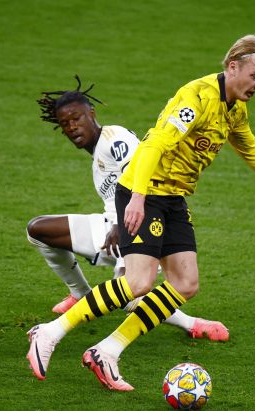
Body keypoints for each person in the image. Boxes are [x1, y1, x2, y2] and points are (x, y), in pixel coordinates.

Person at [26, 35, 255, 391]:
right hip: (146, 191)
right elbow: (155, 143)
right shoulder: (196, 98)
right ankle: (50, 333)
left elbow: (251, 148)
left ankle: (107, 351)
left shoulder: (235, 110)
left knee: (185, 283)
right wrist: (137, 198)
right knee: (138, 283)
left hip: (173, 198)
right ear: (233, 67)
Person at [25, 78, 229, 380]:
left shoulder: (114, 139)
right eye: (65, 124)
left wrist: (122, 224)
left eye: (76, 118)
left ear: (92, 113)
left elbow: (141, 170)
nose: (72, 127)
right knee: (39, 231)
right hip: (115, 224)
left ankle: (190, 323)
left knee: (133, 291)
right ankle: (81, 297)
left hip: (135, 222)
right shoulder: (98, 154)